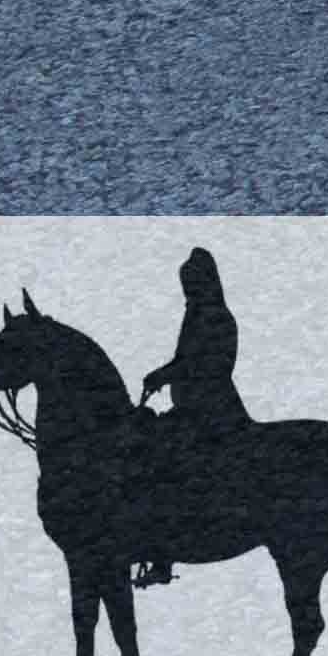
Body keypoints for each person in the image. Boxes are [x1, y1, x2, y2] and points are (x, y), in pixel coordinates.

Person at [128, 246, 249, 588]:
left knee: (163, 462)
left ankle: (163, 552)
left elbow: (202, 365)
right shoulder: (196, 315)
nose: (187, 293)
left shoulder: (216, 318)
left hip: (212, 411)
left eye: (191, 286)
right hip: (192, 408)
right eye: (185, 287)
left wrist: (163, 375)